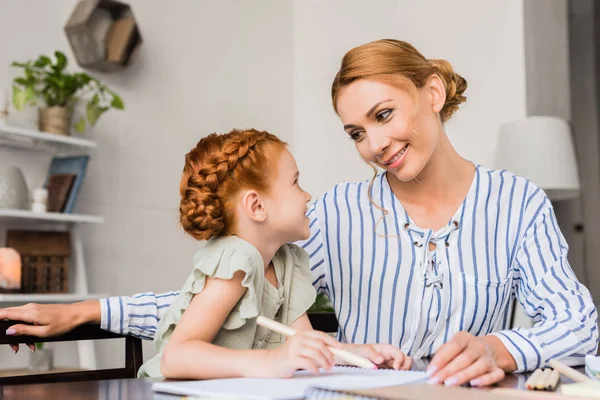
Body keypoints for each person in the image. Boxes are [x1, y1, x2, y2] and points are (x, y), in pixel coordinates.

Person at [1, 39, 596, 386]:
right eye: (356, 132)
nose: (374, 145)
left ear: (433, 93)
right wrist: (86, 311)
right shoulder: (335, 214)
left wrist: (504, 349)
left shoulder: (518, 203)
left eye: (384, 115)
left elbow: (578, 321)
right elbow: (226, 298)